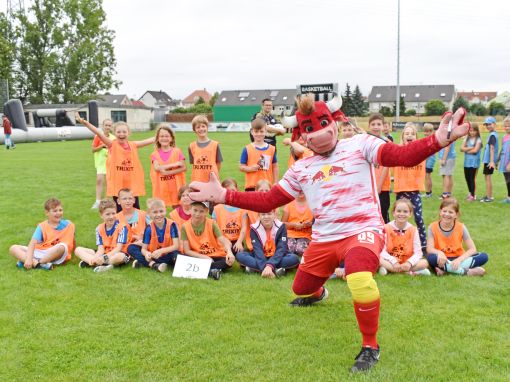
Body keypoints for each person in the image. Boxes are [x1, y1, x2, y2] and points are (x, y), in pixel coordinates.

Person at [189, 94, 470, 372]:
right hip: (324, 239)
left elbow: (401, 155)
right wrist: (225, 195)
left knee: (359, 277)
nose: (320, 132)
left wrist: (439, 139)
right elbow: (269, 200)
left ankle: (370, 346)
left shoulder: (361, 144)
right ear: (302, 135)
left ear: (334, 120)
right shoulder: (301, 168)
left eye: (323, 122)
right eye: (310, 128)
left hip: (363, 230)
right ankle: (319, 293)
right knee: (301, 288)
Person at [76, 114, 154, 211]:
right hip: (118, 185)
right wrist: (85, 123)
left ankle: (135, 225)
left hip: (131, 184)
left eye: (124, 131)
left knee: (135, 208)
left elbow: (150, 140)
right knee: (120, 209)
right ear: (115, 133)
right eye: (118, 132)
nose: (121, 134)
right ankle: (121, 225)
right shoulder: (111, 144)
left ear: (128, 133)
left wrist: (161, 135)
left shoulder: (133, 145)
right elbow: (98, 133)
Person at [426, 198, 488, 276]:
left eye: (451, 212)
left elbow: (472, 249)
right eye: (444, 211)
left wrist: (459, 260)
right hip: (442, 259)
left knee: (484, 256)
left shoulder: (461, 227)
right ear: (440, 212)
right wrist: (440, 253)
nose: (447, 214)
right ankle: (467, 272)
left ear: (456, 214)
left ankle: (445, 270)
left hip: (459, 258)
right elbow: (429, 249)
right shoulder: (432, 227)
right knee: (431, 258)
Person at [9, 198, 75, 270]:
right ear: (47, 213)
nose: (58, 213)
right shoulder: (42, 226)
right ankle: (37, 264)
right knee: (13, 248)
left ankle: (35, 262)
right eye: (55, 211)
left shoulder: (69, 225)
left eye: (60, 210)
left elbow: (71, 241)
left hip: (56, 253)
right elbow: (32, 243)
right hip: (41, 251)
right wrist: (29, 258)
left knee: (62, 246)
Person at [393, 122, 427, 250]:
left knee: (418, 217)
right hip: (401, 190)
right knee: (399, 218)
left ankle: (423, 244)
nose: (410, 135)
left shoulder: (420, 151)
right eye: (407, 133)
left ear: (416, 137)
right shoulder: (397, 151)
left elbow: (432, 145)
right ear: (402, 137)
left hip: (414, 190)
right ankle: (398, 242)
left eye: (412, 133)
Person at [236, 209, 300, 277]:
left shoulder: (281, 226)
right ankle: (275, 270)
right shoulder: (254, 228)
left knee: (293, 258)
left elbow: (281, 249)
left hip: (277, 255)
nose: (266, 217)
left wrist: (270, 265)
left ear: (274, 215)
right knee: (240, 255)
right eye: (263, 214)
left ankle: (256, 269)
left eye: (269, 214)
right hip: (261, 256)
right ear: (259, 216)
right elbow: (258, 250)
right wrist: (267, 267)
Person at [181, 201, 235, 280]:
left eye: (201, 211)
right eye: (195, 210)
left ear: (206, 211)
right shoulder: (185, 226)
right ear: (190, 210)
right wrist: (204, 257)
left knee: (228, 262)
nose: (197, 214)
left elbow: (223, 240)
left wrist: (230, 252)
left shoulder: (212, 223)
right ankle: (212, 271)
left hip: (214, 255)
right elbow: (187, 250)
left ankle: (202, 269)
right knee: (180, 258)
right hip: (197, 256)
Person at [75, 199, 130, 273]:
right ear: (101, 215)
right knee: (78, 250)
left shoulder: (122, 227)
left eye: (113, 213)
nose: (111, 216)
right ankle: (94, 262)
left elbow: (118, 248)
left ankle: (94, 263)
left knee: (119, 257)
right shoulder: (99, 228)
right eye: (108, 214)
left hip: (118, 253)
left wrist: (104, 257)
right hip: (104, 253)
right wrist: (96, 257)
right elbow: (100, 249)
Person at [378, 198, 430, 276]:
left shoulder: (413, 230)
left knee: (425, 262)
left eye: (405, 211)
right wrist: (394, 262)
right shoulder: (386, 228)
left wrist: (409, 263)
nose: (401, 214)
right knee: (378, 259)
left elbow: (418, 253)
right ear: (393, 213)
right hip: (390, 261)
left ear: (410, 214)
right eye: (399, 211)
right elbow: (382, 251)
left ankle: (392, 270)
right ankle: (411, 272)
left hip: (406, 261)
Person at [129, 198, 180, 272]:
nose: (159, 215)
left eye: (161, 211)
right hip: (153, 254)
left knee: (177, 255)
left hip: (168, 253)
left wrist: (161, 251)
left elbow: (176, 246)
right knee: (131, 248)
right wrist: (146, 254)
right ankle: (153, 264)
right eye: (155, 212)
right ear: (149, 214)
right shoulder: (149, 228)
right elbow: (144, 249)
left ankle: (143, 262)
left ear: (165, 210)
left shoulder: (172, 225)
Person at [150, 125, 186, 208]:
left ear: (171, 138)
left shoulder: (177, 151)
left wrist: (168, 172)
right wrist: (175, 164)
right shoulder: (154, 154)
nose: (164, 138)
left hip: (176, 187)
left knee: (177, 210)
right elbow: (157, 168)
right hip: (162, 187)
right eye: (161, 136)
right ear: (158, 139)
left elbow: (183, 167)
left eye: (167, 136)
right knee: (160, 209)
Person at [239, 118, 279, 191]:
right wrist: (250, 168)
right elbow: (241, 167)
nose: (259, 134)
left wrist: (276, 182)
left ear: (266, 131)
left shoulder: (271, 149)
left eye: (261, 131)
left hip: (267, 187)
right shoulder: (247, 149)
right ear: (252, 132)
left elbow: (275, 166)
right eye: (256, 131)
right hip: (251, 187)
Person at [212, 178, 248, 254]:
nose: (230, 193)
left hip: (236, 240)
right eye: (226, 191)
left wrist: (239, 242)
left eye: (232, 190)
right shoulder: (217, 208)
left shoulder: (242, 208)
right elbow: (214, 228)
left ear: (237, 190)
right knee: (224, 258)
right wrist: (223, 241)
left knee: (241, 256)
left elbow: (244, 227)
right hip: (222, 240)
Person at [368, 113, 391, 223]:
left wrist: (379, 186)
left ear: (383, 126)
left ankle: (385, 239)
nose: (376, 126)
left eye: (378, 124)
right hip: (368, 187)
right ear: (369, 126)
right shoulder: (365, 142)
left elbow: (386, 166)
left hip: (383, 187)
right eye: (373, 124)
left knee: (383, 215)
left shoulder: (386, 143)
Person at [188, 114, 223, 183]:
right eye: (198, 127)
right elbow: (194, 164)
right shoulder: (191, 146)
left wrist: (212, 175)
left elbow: (218, 164)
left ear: (207, 127)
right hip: (197, 181)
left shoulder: (215, 145)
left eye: (203, 126)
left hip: (212, 181)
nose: (201, 129)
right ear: (194, 130)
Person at [91, 119, 114, 209]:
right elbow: (93, 149)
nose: (107, 127)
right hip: (100, 162)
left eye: (109, 125)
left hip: (110, 162)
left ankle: (107, 201)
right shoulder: (98, 136)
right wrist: (102, 146)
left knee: (109, 182)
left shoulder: (113, 138)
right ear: (103, 125)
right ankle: (98, 201)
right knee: (99, 180)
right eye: (106, 125)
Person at [281, 191, 313, 257]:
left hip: (305, 235)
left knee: (300, 249)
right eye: (298, 189)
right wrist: (293, 225)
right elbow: (282, 224)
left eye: (302, 189)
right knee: (289, 248)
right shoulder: (289, 205)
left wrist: (309, 224)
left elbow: (316, 223)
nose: (300, 191)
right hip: (290, 234)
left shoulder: (312, 205)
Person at [460, 123, 482, 201]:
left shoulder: (478, 139)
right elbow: (461, 148)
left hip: (474, 163)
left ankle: (472, 195)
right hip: (467, 162)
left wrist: (466, 150)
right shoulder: (467, 138)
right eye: (470, 130)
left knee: (471, 178)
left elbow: (475, 150)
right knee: (467, 178)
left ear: (477, 131)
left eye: (473, 131)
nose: (472, 132)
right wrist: (471, 148)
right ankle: (470, 192)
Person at [480, 116, 499, 203]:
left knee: (488, 178)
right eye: (486, 125)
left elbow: (492, 148)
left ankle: (489, 197)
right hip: (489, 161)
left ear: (494, 124)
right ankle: (488, 195)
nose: (488, 126)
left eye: (490, 124)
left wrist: (491, 161)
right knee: (487, 177)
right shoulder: (493, 134)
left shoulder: (492, 135)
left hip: (489, 162)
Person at [438, 132, 456, 199]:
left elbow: (447, 147)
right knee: (449, 175)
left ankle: (445, 194)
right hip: (451, 157)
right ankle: (448, 193)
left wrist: (444, 159)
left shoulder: (448, 134)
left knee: (446, 176)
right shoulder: (450, 133)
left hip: (447, 158)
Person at [497, 116, 510, 203]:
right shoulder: (504, 137)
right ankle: (509, 197)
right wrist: (497, 160)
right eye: (505, 126)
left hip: (509, 162)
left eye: (508, 126)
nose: (506, 127)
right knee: (507, 180)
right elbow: (502, 149)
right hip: (504, 162)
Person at [422, 123, 436, 198]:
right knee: (427, 176)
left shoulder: (431, 140)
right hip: (427, 159)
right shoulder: (426, 139)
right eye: (425, 131)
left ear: (432, 132)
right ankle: (428, 192)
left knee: (427, 176)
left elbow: (430, 151)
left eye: (428, 131)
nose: (426, 133)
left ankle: (428, 193)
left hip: (430, 160)